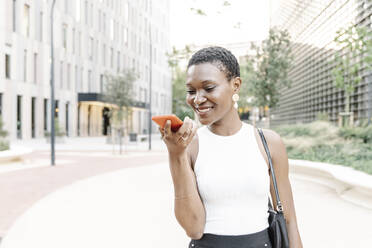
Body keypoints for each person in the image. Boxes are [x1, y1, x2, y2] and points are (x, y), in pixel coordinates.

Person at [159, 46, 303, 248]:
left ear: (235, 85)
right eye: (191, 91)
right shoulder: (189, 146)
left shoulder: (268, 143)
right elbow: (193, 228)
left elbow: (289, 221)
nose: (198, 99)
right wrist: (176, 154)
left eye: (208, 88)